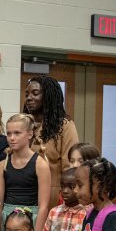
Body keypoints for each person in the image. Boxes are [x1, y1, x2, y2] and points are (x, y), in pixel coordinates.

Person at [0, 113, 50, 231]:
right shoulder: (2, 166)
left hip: (32, 220)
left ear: (30, 134)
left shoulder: (40, 165)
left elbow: (43, 206)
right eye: (9, 133)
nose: (12, 138)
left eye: (17, 133)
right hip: (7, 220)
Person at [23, 75, 80, 209]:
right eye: (27, 94)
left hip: (53, 197)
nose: (29, 98)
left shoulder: (64, 126)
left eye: (35, 93)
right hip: (24, 193)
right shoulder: (23, 125)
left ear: (49, 96)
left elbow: (70, 168)